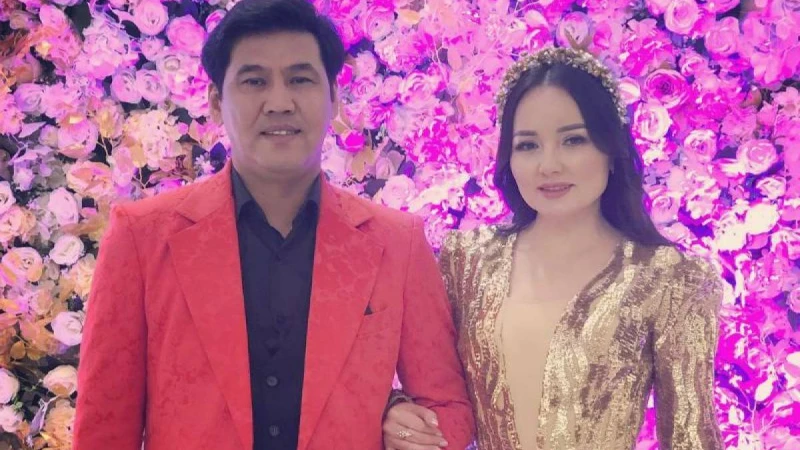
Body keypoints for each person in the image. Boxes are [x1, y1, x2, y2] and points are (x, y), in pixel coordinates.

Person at [73, 0, 474, 449]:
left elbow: (449, 408)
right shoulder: (143, 236)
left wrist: (402, 425)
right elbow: (103, 428)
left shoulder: (398, 242)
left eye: (300, 79)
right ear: (216, 101)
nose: (279, 102)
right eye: (254, 81)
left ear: (333, 96)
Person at [382, 47, 723, 450]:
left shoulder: (669, 279)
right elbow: (430, 386)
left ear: (611, 151)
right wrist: (396, 410)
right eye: (528, 145)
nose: (549, 165)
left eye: (573, 140)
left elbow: (691, 438)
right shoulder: (469, 260)